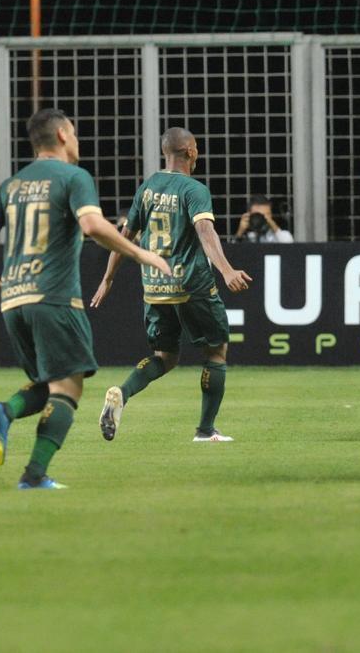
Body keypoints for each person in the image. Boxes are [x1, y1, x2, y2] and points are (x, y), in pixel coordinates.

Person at [0, 109, 170, 490]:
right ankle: (31, 471)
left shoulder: (13, 184)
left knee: (50, 385)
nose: (76, 140)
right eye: (74, 133)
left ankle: (5, 415)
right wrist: (141, 254)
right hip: (54, 298)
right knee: (69, 389)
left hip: (13, 300)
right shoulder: (74, 177)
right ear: (62, 134)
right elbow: (92, 225)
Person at [90, 127, 252, 443]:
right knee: (216, 351)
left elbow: (124, 238)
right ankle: (205, 430)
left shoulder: (147, 187)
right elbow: (205, 231)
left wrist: (107, 279)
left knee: (165, 356)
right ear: (190, 151)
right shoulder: (194, 189)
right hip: (191, 284)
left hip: (154, 287)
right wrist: (227, 270)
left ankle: (122, 393)